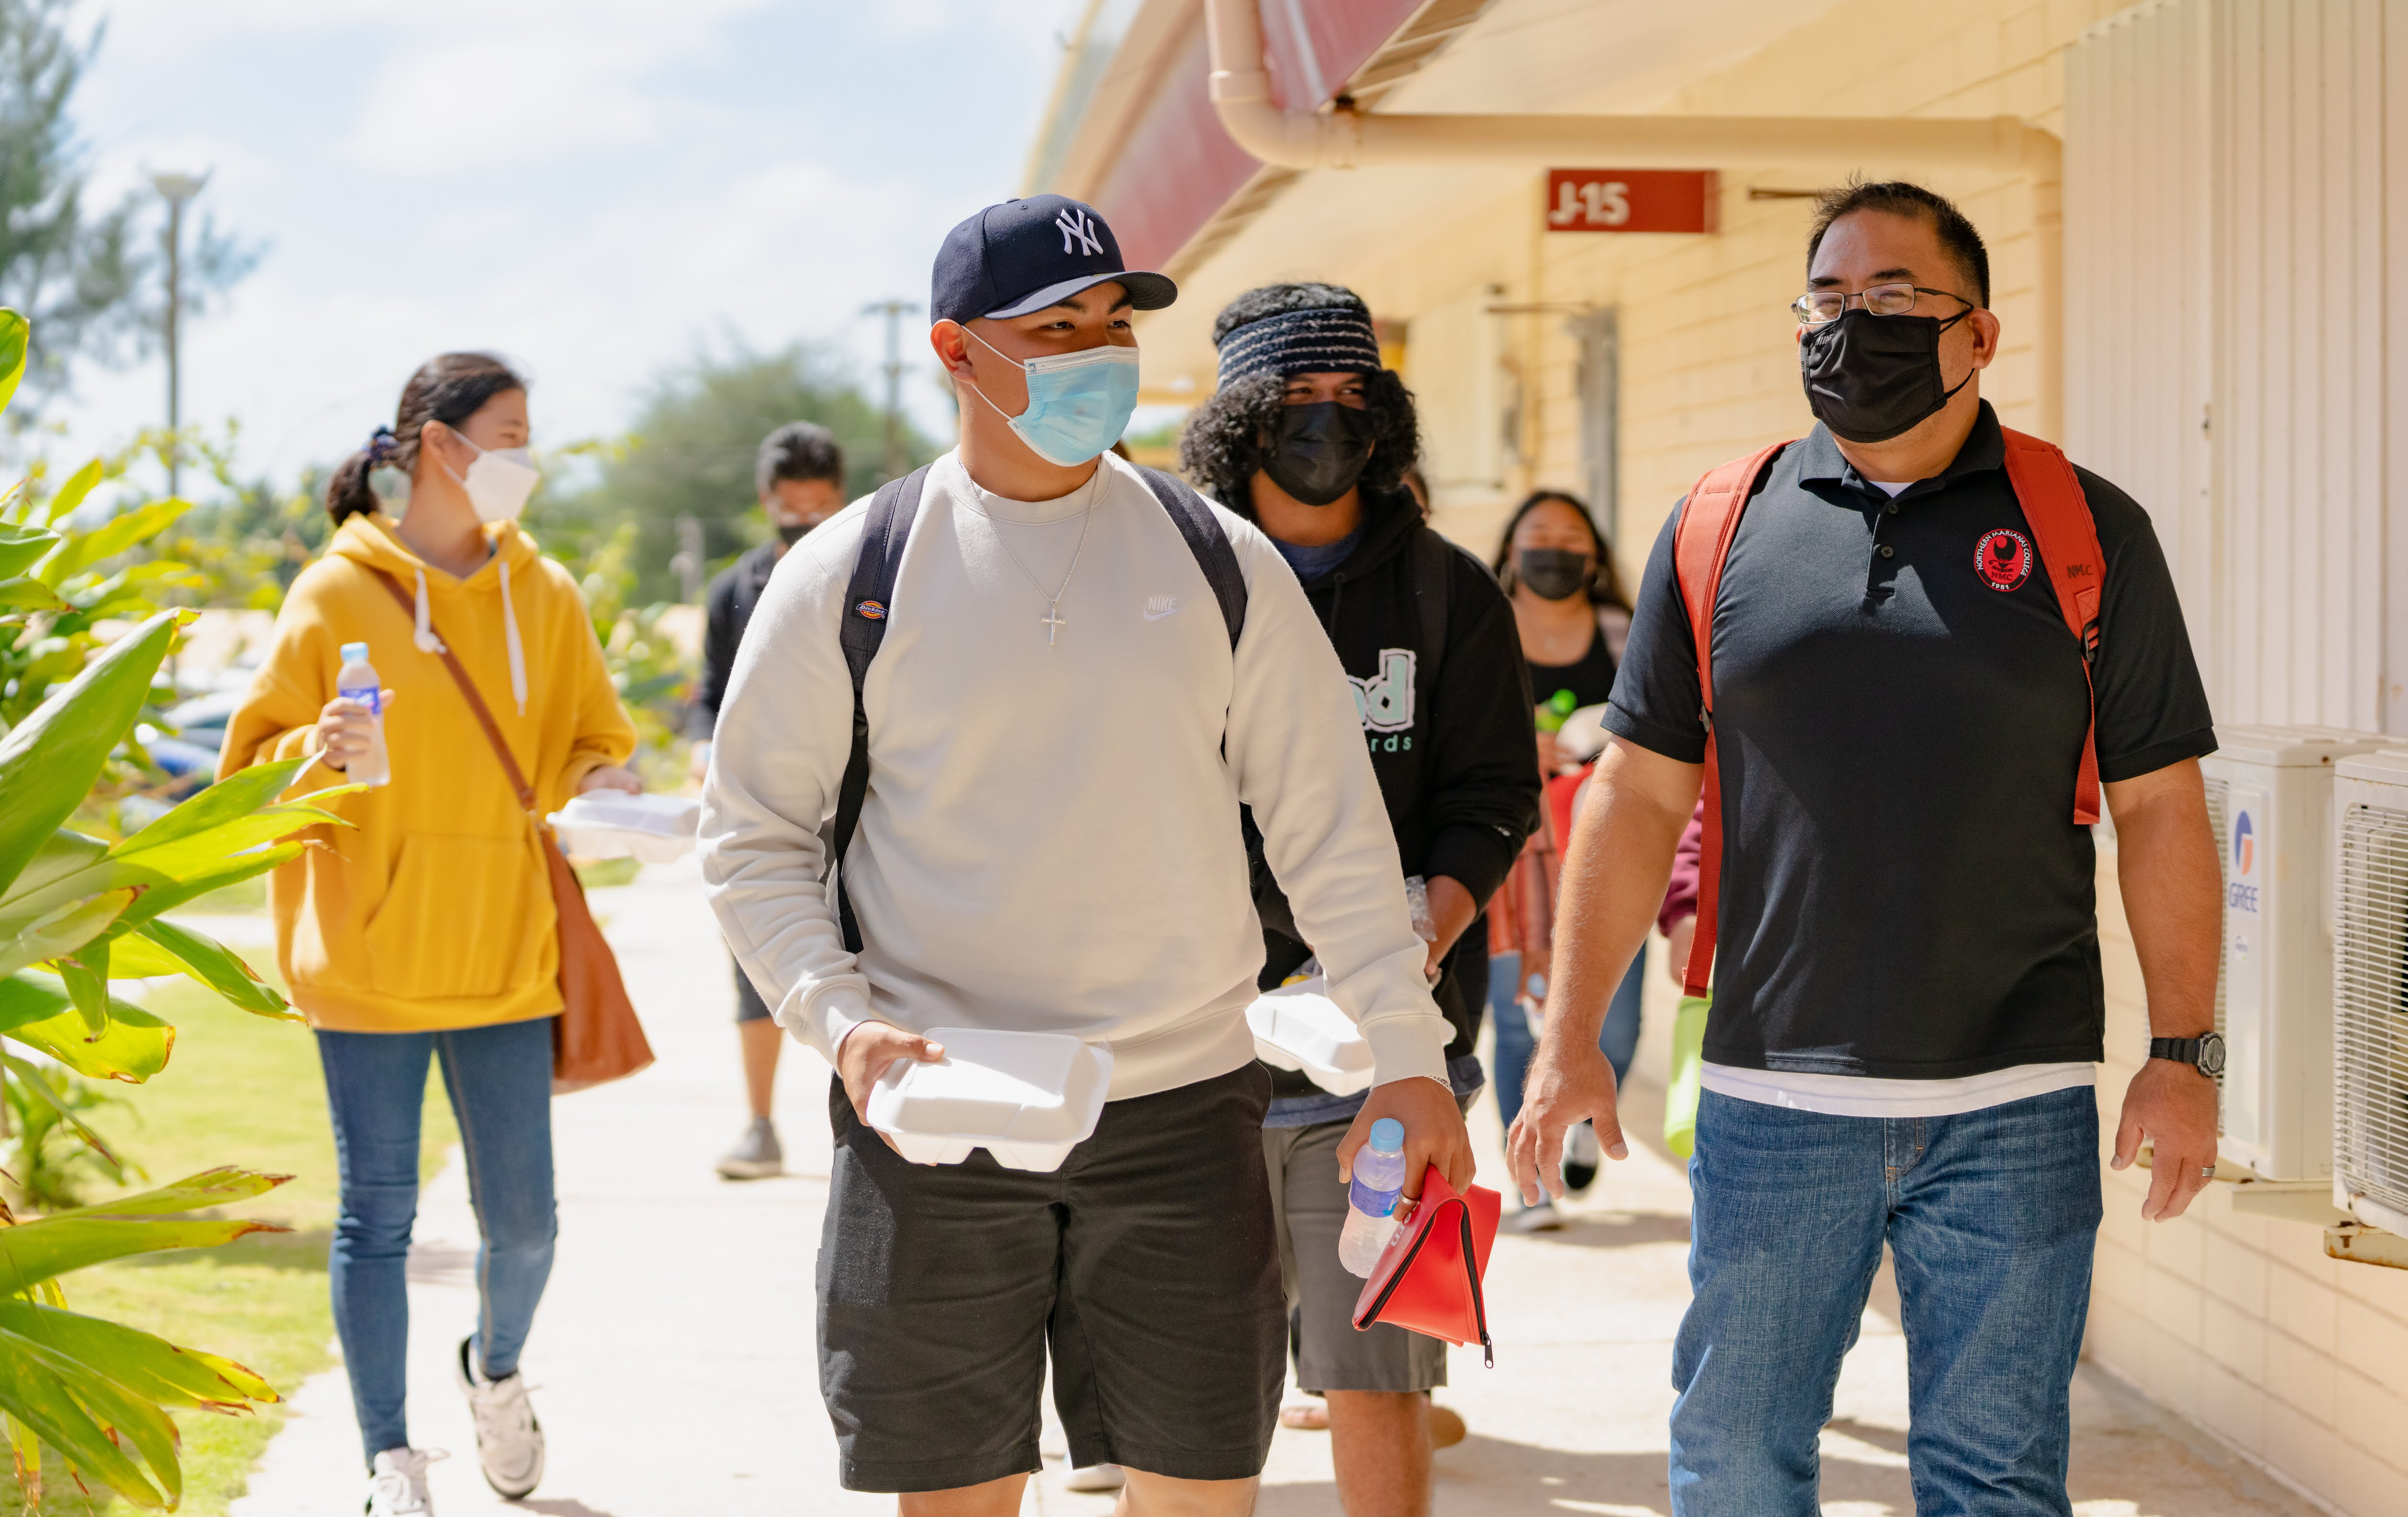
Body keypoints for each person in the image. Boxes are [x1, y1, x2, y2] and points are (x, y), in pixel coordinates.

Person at [699, 195, 1474, 1514]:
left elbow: (1333, 826)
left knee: (1202, 1491)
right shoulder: (851, 572)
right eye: (1057, 330)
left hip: (1185, 1113)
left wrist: (1408, 1054)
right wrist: (841, 1024)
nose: (1100, 354)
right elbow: (752, 836)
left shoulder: (1218, 560)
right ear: (955, 351)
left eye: (1114, 325)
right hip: (937, 1114)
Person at [1508, 179, 2222, 1513]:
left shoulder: (2086, 530)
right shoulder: (1720, 525)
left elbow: (2162, 805)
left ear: (1980, 333)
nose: (1851, 325)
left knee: (1997, 1476)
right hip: (1775, 1097)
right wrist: (1568, 1042)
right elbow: (1638, 792)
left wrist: (2185, 1053)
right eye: (1827, 300)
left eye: (1892, 297)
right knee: (1735, 1462)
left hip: (2015, 1098)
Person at [221, 354, 641, 1517]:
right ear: (439, 445)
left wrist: (607, 778)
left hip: (505, 950)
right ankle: (389, 1461)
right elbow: (246, 770)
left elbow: (590, 738)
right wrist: (314, 749)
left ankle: (494, 1370)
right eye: (508, 433)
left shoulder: (544, 591)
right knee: (376, 1219)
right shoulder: (332, 595)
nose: (525, 457)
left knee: (526, 1225)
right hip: (366, 958)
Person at [1178, 282, 1538, 1517]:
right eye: (1295, 396)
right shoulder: (1168, 583)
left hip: (1390, 1053)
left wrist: (1420, 931)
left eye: (1351, 393)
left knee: (1379, 1373)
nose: (1326, 419)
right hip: (1193, 1051)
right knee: (1191, 1394)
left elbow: (1494, 796)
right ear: (1238, 417)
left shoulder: (1448, 591)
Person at [690, 422, 849, 1180]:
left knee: (870, 963)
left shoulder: (870, 576)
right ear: (766, 499)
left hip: (854, 809)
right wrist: (702, 746)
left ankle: (870, 1125)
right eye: (791, 506)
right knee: (757, 964)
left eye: (819, 507)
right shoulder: (736, 591)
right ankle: (759, 1125)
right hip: (766, 807)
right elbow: (711, 694)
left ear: (840, 498)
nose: (804, 519)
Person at [1485, 490, 1641, 1228]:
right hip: (1512, 856)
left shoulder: (1626, 631)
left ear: (1595, 554)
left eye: (1572, 535)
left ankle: (1581, 1114)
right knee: (1519, 1019)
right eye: (1539, 533)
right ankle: (1533, 1184)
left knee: (1619, 1024)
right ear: (1511, 551)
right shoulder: (1481, 624)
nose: (1555, 547)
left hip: (1610, 854)